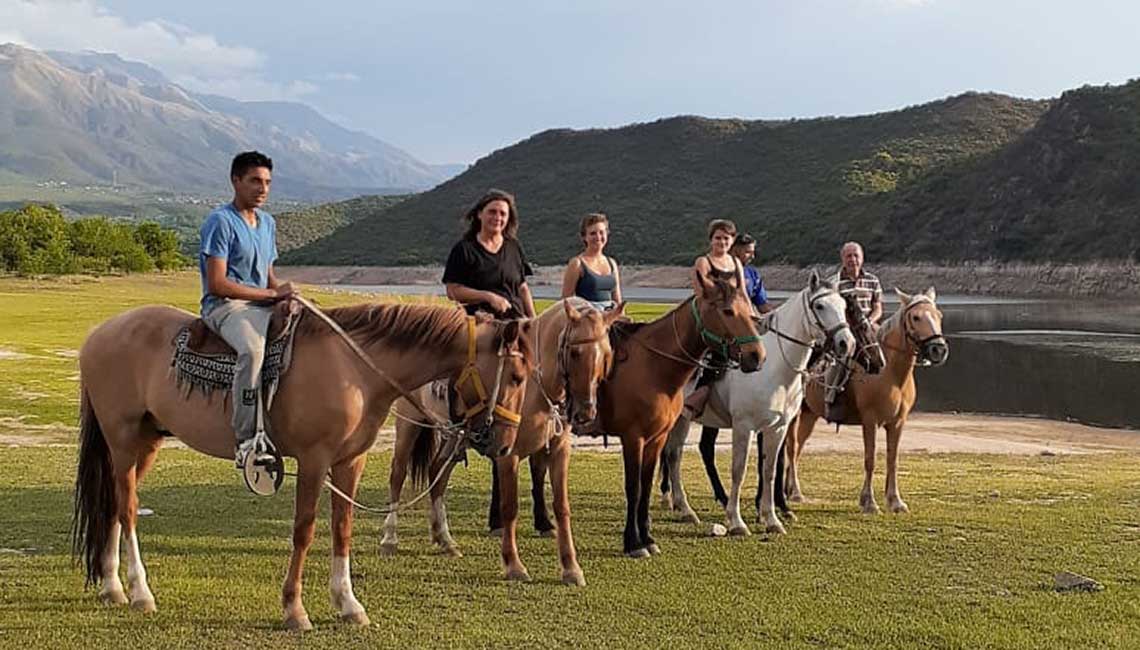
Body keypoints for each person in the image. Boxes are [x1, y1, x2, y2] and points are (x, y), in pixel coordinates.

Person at [198, 151, 296, 470]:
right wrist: (270, 294)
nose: (263, 188)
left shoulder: (268, 223)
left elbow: (268, 275)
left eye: (267, 182)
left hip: (262, 303)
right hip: (226, 307)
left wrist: (282, 295)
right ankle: (246, 439)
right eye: (255, 180)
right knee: (253, 351)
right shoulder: (220, 221)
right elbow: (217, 283)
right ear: (236, 180)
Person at [682, 219, 746, 420]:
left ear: (732, 240)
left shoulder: (735, 263)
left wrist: (753, 318)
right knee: (721, 349)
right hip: (709, 318)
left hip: (733, 318)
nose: (722, 242)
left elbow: (742, 294)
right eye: (718, 238)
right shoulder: (703, 262)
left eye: (726, 238)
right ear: (711, 240)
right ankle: (700, 392)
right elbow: (701, 296)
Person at [443, 188, 537, 320]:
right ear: (480, 214)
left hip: (516, 323)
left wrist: (534, 321)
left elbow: (522, 287)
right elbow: (452, 291)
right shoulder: (464, 249)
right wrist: (489, 297)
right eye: (492, 212)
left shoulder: (513, 246)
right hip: (478, 325)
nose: (497, 217)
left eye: (503, 214)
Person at [823, 241, 883, 423]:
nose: (853, 260)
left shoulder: (873, 280)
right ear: (842, 259)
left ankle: (893, 395)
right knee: (842, 360)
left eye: (856, 255)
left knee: (890, 349)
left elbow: (878, 307)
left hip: (869, 327)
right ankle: (831, 398)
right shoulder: (835, 282)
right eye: (849, 256)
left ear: (862, 258)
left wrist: (870, 321)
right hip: (846, 329)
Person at [561, 213, 623, 310]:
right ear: (584, 237)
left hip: (610, 317)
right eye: (593, 233)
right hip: (588, 319)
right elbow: (566, 301)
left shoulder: (611, 263)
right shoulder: (577, 264)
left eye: (601, 232)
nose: (598, 237)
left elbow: (617, 299)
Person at [731, 233, 773, 315]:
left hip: (747, 320)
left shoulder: (752, 274)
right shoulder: (719, 270)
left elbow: (763, 305)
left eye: (753, 252)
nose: (752, 256)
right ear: (734, 250)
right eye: (748, 252)